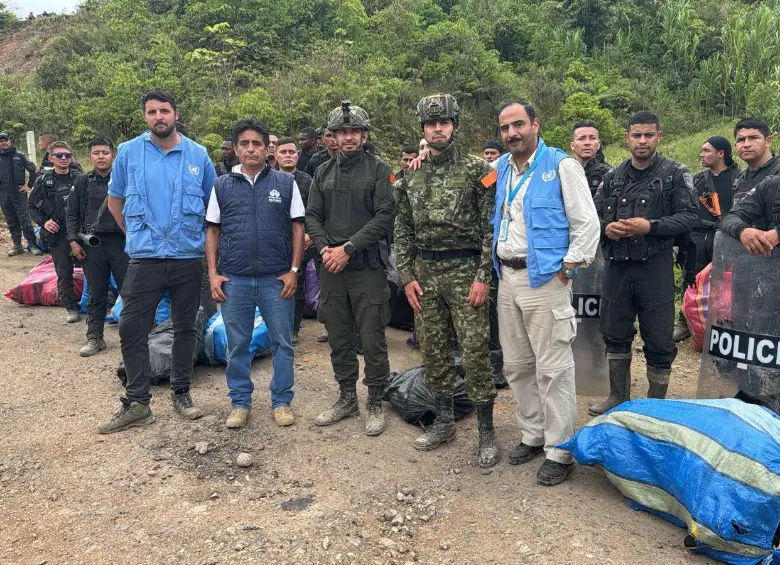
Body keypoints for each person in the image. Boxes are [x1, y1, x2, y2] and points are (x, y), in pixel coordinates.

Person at [491, 100, 599, 485]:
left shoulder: (561, 166)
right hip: (507, 277)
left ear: (535, 124)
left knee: (553, 368)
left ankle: (561, 449)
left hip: (546, 280)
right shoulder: (501, 167)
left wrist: (568, 269)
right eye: (505, 128)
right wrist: (420, 159)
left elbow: (587, 224)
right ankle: (533, 434)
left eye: (518, 125)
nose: (511, 134)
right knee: (517, 365)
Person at [96, 87, 216, 434]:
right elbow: (115, 200)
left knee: (185, 327)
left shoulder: (198, 155)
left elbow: (213, 208)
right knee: (132, 329)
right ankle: (138, 403)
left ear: (176, 113)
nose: (158, 117)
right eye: (151, 112)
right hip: (145, 259)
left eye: (164, 110)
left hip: (186, 258)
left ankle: (182, 393)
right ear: (145, 116)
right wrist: (135, 236)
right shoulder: (130, 153)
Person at [395, 93, 500, 467]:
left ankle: (486, 430)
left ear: (454, 125)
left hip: (465, 273)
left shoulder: (477, 171)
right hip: (425, 274)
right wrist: (406, 275)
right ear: (422, 129)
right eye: (430, 124)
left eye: (444, 123)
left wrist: (483, 277)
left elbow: (491, 228)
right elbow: (402, 228)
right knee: (433, 350)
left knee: (474, 352)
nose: (437, 129)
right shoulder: (411, 173)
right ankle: (443, 420)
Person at [590, 111, 696, 415]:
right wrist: (605, 228)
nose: (642, 140)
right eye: (636, 135)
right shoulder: (613, 177)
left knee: (660, 337)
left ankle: (654, 406)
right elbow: (591, 216)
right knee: (614, 331)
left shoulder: (675, 173)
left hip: (655, 268)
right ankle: (617, 396)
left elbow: (690, 216)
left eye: (649, 135)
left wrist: (650, 226)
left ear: (659, 137)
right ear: (626, 138)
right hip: (617, 268)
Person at [206, 119, 304, 429]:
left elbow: (298, 228)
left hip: (276, 279)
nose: (251, 148)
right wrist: (213, 273)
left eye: (257, 143)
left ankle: (282, 401)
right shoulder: (222, 185)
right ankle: (240, 402)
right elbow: (212, 231)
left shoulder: (286, 184)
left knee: (283, 343)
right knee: (238, 344)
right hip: (235, 279)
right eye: (245, 143)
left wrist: (293, 271)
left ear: (267, 149)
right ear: (235, 149)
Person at [306, 100, 395, 436]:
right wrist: (326, 247)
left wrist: (348, 247)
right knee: (339, 336)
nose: (347, 138)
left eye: (353, 131)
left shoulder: (377, 169)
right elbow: (312, 215)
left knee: (372, 336)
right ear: (332, 136)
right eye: (340, 132)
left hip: (366, 266)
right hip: (331, 266)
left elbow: (385, 216)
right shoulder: (322, 172)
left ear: (364, 134)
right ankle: (346, 397)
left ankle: (374, 399)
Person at [65, 137, 129, 357]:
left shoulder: (124, 179)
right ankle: (95, 338)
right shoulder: (82, 181)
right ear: (90, 156)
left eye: (105, 152)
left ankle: (133, 340)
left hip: (122, 244)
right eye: (96, 153)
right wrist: (73, 241)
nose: (101, 157)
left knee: (129, 293)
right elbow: (71, 214)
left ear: (113, 155)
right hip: (93, 246)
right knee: (96, 293)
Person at [673, 136, 740, 342]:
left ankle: (725, 328)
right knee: (692, 279)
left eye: (706, 150)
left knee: (727, 283)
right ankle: (685, 321)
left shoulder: (739, 178)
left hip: (727, 237)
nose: (701, 154)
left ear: (721, 153)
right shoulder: (697, 180)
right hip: (698, 237)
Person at [28, 141, 81, 321]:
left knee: (93, 269)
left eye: (67, 155)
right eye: (59, 155)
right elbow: (31, 207)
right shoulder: (43, 181)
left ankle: (100, 304)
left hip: (81, 231)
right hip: (58, 233)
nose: (64, 158)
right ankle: (71, 308)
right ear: (51, 158)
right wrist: (44, 222)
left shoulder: (79, 177)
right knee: (64, 272)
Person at [277, 136, 314, 344]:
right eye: (284, 152)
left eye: (292, 152)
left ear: (297, 155)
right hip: (275, 243)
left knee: (297, 286)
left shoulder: (307, 181)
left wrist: (308, 234)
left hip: (301, 242)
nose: (288, 156)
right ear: (276, 155)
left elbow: (314, 210)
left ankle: (293, 330)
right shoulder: (268, 178)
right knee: (274, 285)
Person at [0, 132, 40, 256]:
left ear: (10, 142)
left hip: (19, 194)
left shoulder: (19, 156)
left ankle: (32, 245)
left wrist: (29, 186)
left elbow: (34, 170)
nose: (3, 142)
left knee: (25, 220)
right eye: (1, 141)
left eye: (5, 140)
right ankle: (17, 246)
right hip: (4, 195)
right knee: (11, 221)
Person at [732, 118, 780, 219]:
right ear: (735, 145)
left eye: (753, 138)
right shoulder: (739, 179)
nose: (746, 145)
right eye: (741, 140)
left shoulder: (777, 171)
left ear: (767, 141)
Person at [570, 120, 611, 196]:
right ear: (572, 145)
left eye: (592, 138)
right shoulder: (563, 172)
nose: (587, 143)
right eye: (581, 138)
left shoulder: (609, 174)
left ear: (598, 145)